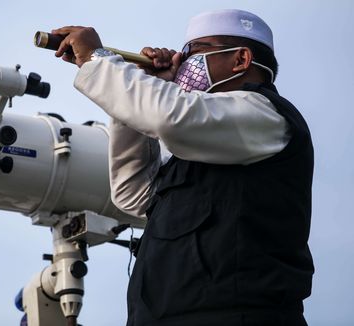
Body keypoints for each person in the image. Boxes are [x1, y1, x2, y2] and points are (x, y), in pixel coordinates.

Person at [52, 9, 314, 326]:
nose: (183, 61)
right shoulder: (204, 140)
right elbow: (132, 193)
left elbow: (171, 116)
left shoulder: (265, 115)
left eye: (195, 51)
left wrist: (99, 59)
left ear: (241, 59)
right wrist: (144, 83)